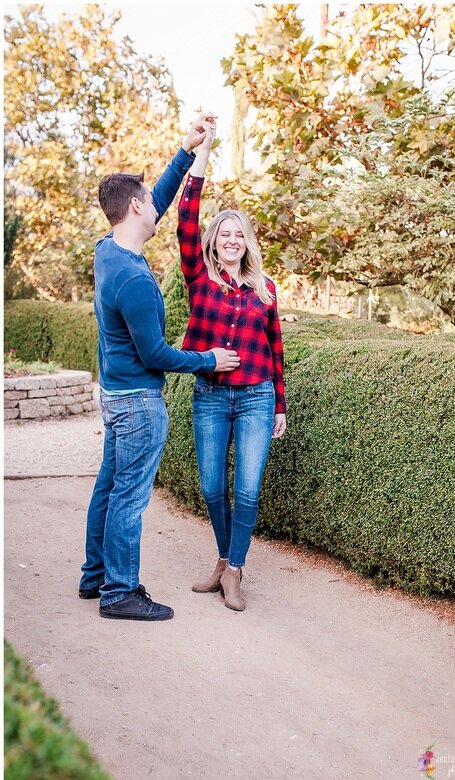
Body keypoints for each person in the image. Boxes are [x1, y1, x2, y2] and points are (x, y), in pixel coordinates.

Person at [80, 113, 240, 622]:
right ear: (133, 207)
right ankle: (120, 592)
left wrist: (186, 151)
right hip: (137, 403)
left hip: (114, 394)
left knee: (109, 484)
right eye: (149, 201)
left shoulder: (109, 250)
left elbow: (161, 200)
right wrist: (208, 359)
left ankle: (95, 576)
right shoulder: (134, 280)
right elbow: (157, 356)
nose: (157, 206)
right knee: (128, 497)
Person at [177, 120, 287, 612]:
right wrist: (204, 153)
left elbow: (275, 352)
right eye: (223, 233)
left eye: (238, 234)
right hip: (211, 398)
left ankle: (234, 570)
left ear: (246, 242)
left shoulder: (265, 290)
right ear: (213, 242)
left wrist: (279, 405)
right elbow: (186, 214)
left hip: (258, 396)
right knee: (210, 485)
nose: (230, 240)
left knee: (247, 489)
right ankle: (223, 560)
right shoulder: (199, 277)